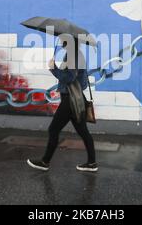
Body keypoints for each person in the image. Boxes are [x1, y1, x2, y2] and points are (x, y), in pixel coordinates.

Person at [27, 36, 97, 172]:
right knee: (83, 132)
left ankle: (44, 162)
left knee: (53, 129)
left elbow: (69, 78)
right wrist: (58, 68)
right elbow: (77, 79)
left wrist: (53, 68)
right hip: (76, 98)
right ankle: (92, 163)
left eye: (63, 39)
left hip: (70, 100)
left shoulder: (73, 55)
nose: (60, 41)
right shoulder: (76, 54)